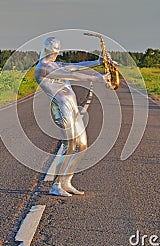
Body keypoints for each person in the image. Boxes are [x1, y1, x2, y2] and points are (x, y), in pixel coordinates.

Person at [35, 37, 108, 197]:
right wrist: (98, 78)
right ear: (49, 50)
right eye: (55, 50)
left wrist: (97, 62)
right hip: (62, 112)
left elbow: (75, 67)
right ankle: (56, 185)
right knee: (70, 146)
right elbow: (74, 76)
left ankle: (66, 182)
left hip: (73, 109)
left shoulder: (55, 64)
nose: (57, 53)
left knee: (82, 145)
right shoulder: (43, 68)